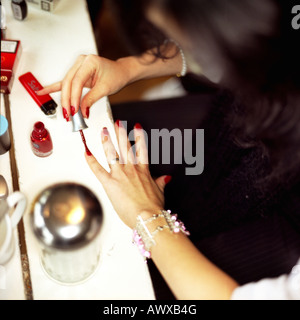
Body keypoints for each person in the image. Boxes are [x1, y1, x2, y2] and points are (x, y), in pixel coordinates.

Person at [37, 0, 300, 299]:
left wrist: (147, 214)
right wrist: (128, 67)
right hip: (238, 129)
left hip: (285, 225)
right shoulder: (273, 36)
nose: (200, 59)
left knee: (137, 283)